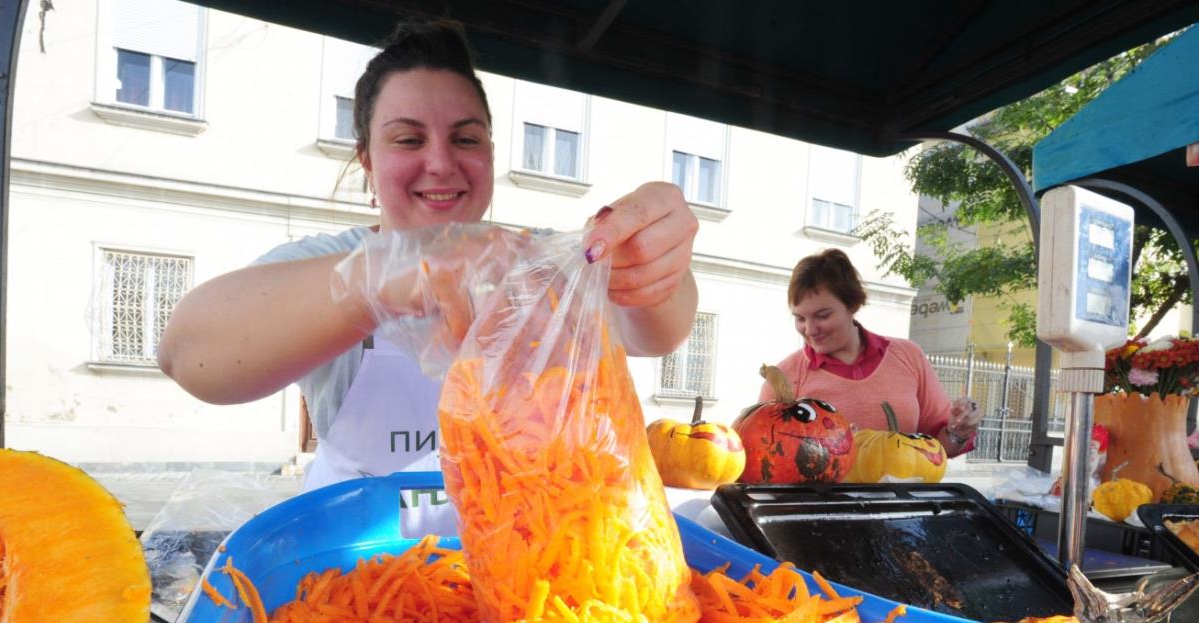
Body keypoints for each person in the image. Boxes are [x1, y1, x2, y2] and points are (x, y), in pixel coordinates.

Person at [157, 19, 699, 506]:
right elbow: (186, 353)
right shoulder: (327, 263)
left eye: (465, 138)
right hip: (356, 558)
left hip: (526, 552)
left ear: (489, 153)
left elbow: (658, 331)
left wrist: (650, 260)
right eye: (408, 139)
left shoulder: (540, 264)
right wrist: (377, 279)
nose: (440, 162)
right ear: (367, 160)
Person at [758, 248, 981, 456]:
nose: (809, 330)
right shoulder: (784, 377)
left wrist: (959, 431)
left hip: (904, 487)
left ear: (853, 305)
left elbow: (939, 449)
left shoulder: (908, 356)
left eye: (822, 315)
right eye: (799, 318)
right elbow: (766, 456)